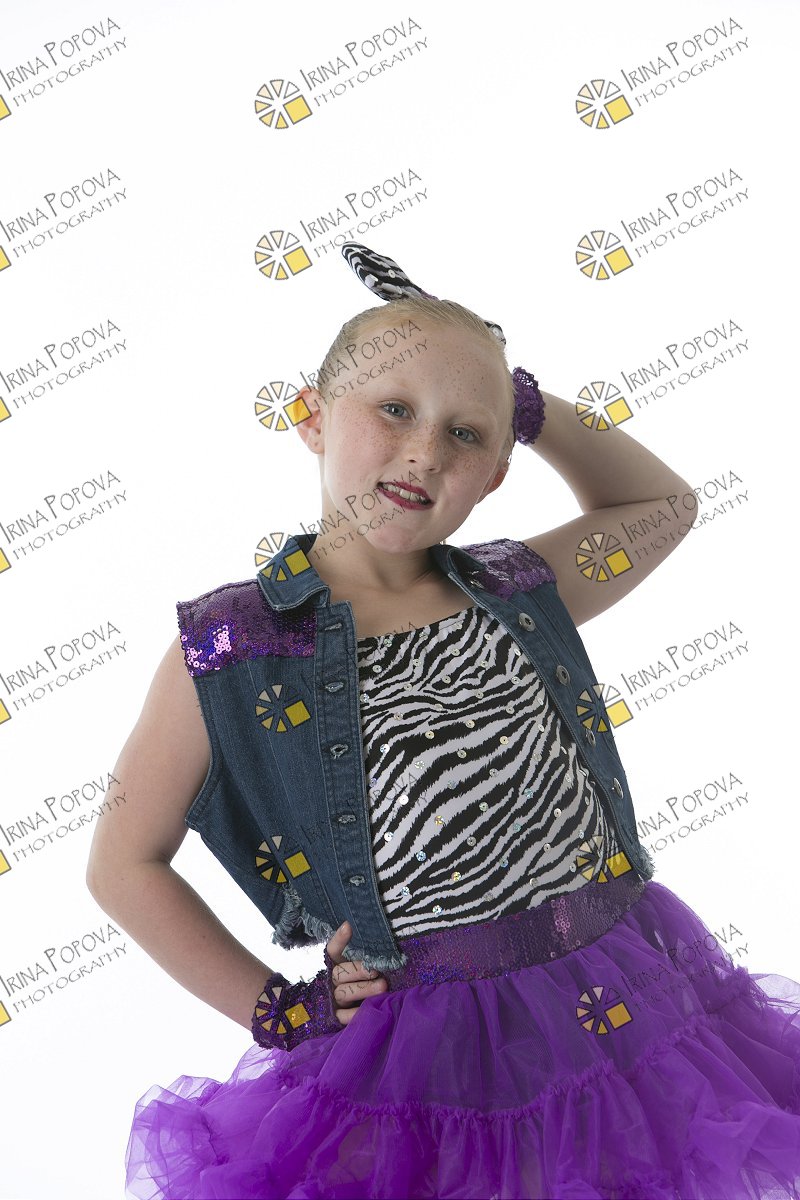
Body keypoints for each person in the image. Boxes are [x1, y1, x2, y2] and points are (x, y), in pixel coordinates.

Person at [87, 243, 800, 1200]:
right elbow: (123, 863)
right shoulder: (232, 648)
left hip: (625, 994)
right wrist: (276, 1010)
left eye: (466, 434)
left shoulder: (520, 589)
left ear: (497, 473)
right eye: (393, 409)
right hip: (431, 1047)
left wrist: (521, 401)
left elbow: (660, 505)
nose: (426, 451)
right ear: (310, 416)